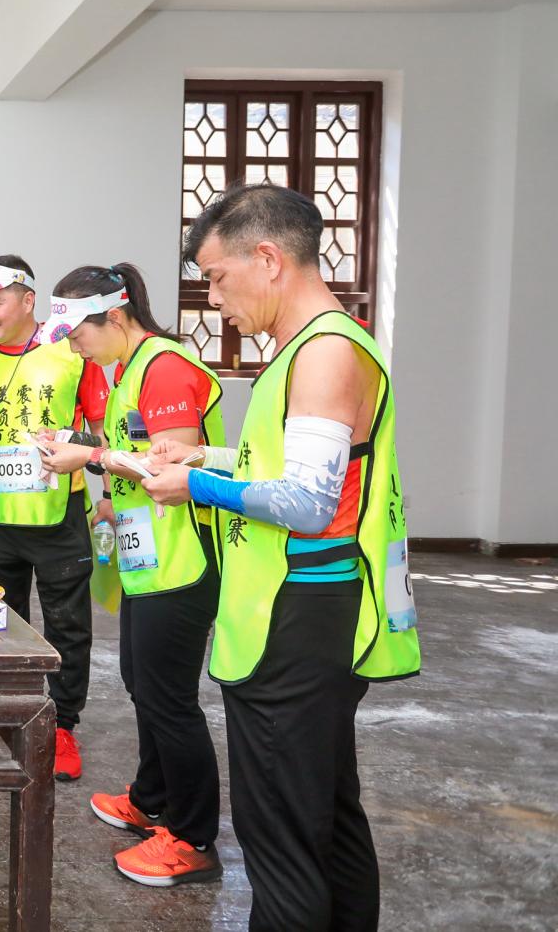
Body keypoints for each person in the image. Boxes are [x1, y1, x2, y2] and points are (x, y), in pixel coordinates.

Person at [141, 183, 420, 931]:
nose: (213, 296)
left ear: (267, 258)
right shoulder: (322, 345)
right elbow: (294, 467)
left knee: (283, 843)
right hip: (315, 616)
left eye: (217, 276)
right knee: (327, 819)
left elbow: (306, 503)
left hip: (295, 621)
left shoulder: (324, 353)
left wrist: (194, 482)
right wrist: (210, 453)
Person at [35, 263, 225, 886]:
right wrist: (82, 443)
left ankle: (193, 838)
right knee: (142, 681)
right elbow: (133, 451)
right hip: (149, 559)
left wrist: (87, 456)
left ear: (114, 316)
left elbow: (172, 469)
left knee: (170, 698)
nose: (72, 345)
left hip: (183, 559)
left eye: (78, 333)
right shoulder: (125, 372)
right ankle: (151, 800)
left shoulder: (165, 367)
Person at [0, 256, 109, 781]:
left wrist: (108, 496)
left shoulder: (72, 354)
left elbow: (102, 430)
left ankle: (61, 725)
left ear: (28, 301)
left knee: (67, 624)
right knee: (2, 617)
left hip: (59, 517)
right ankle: (8, 703)